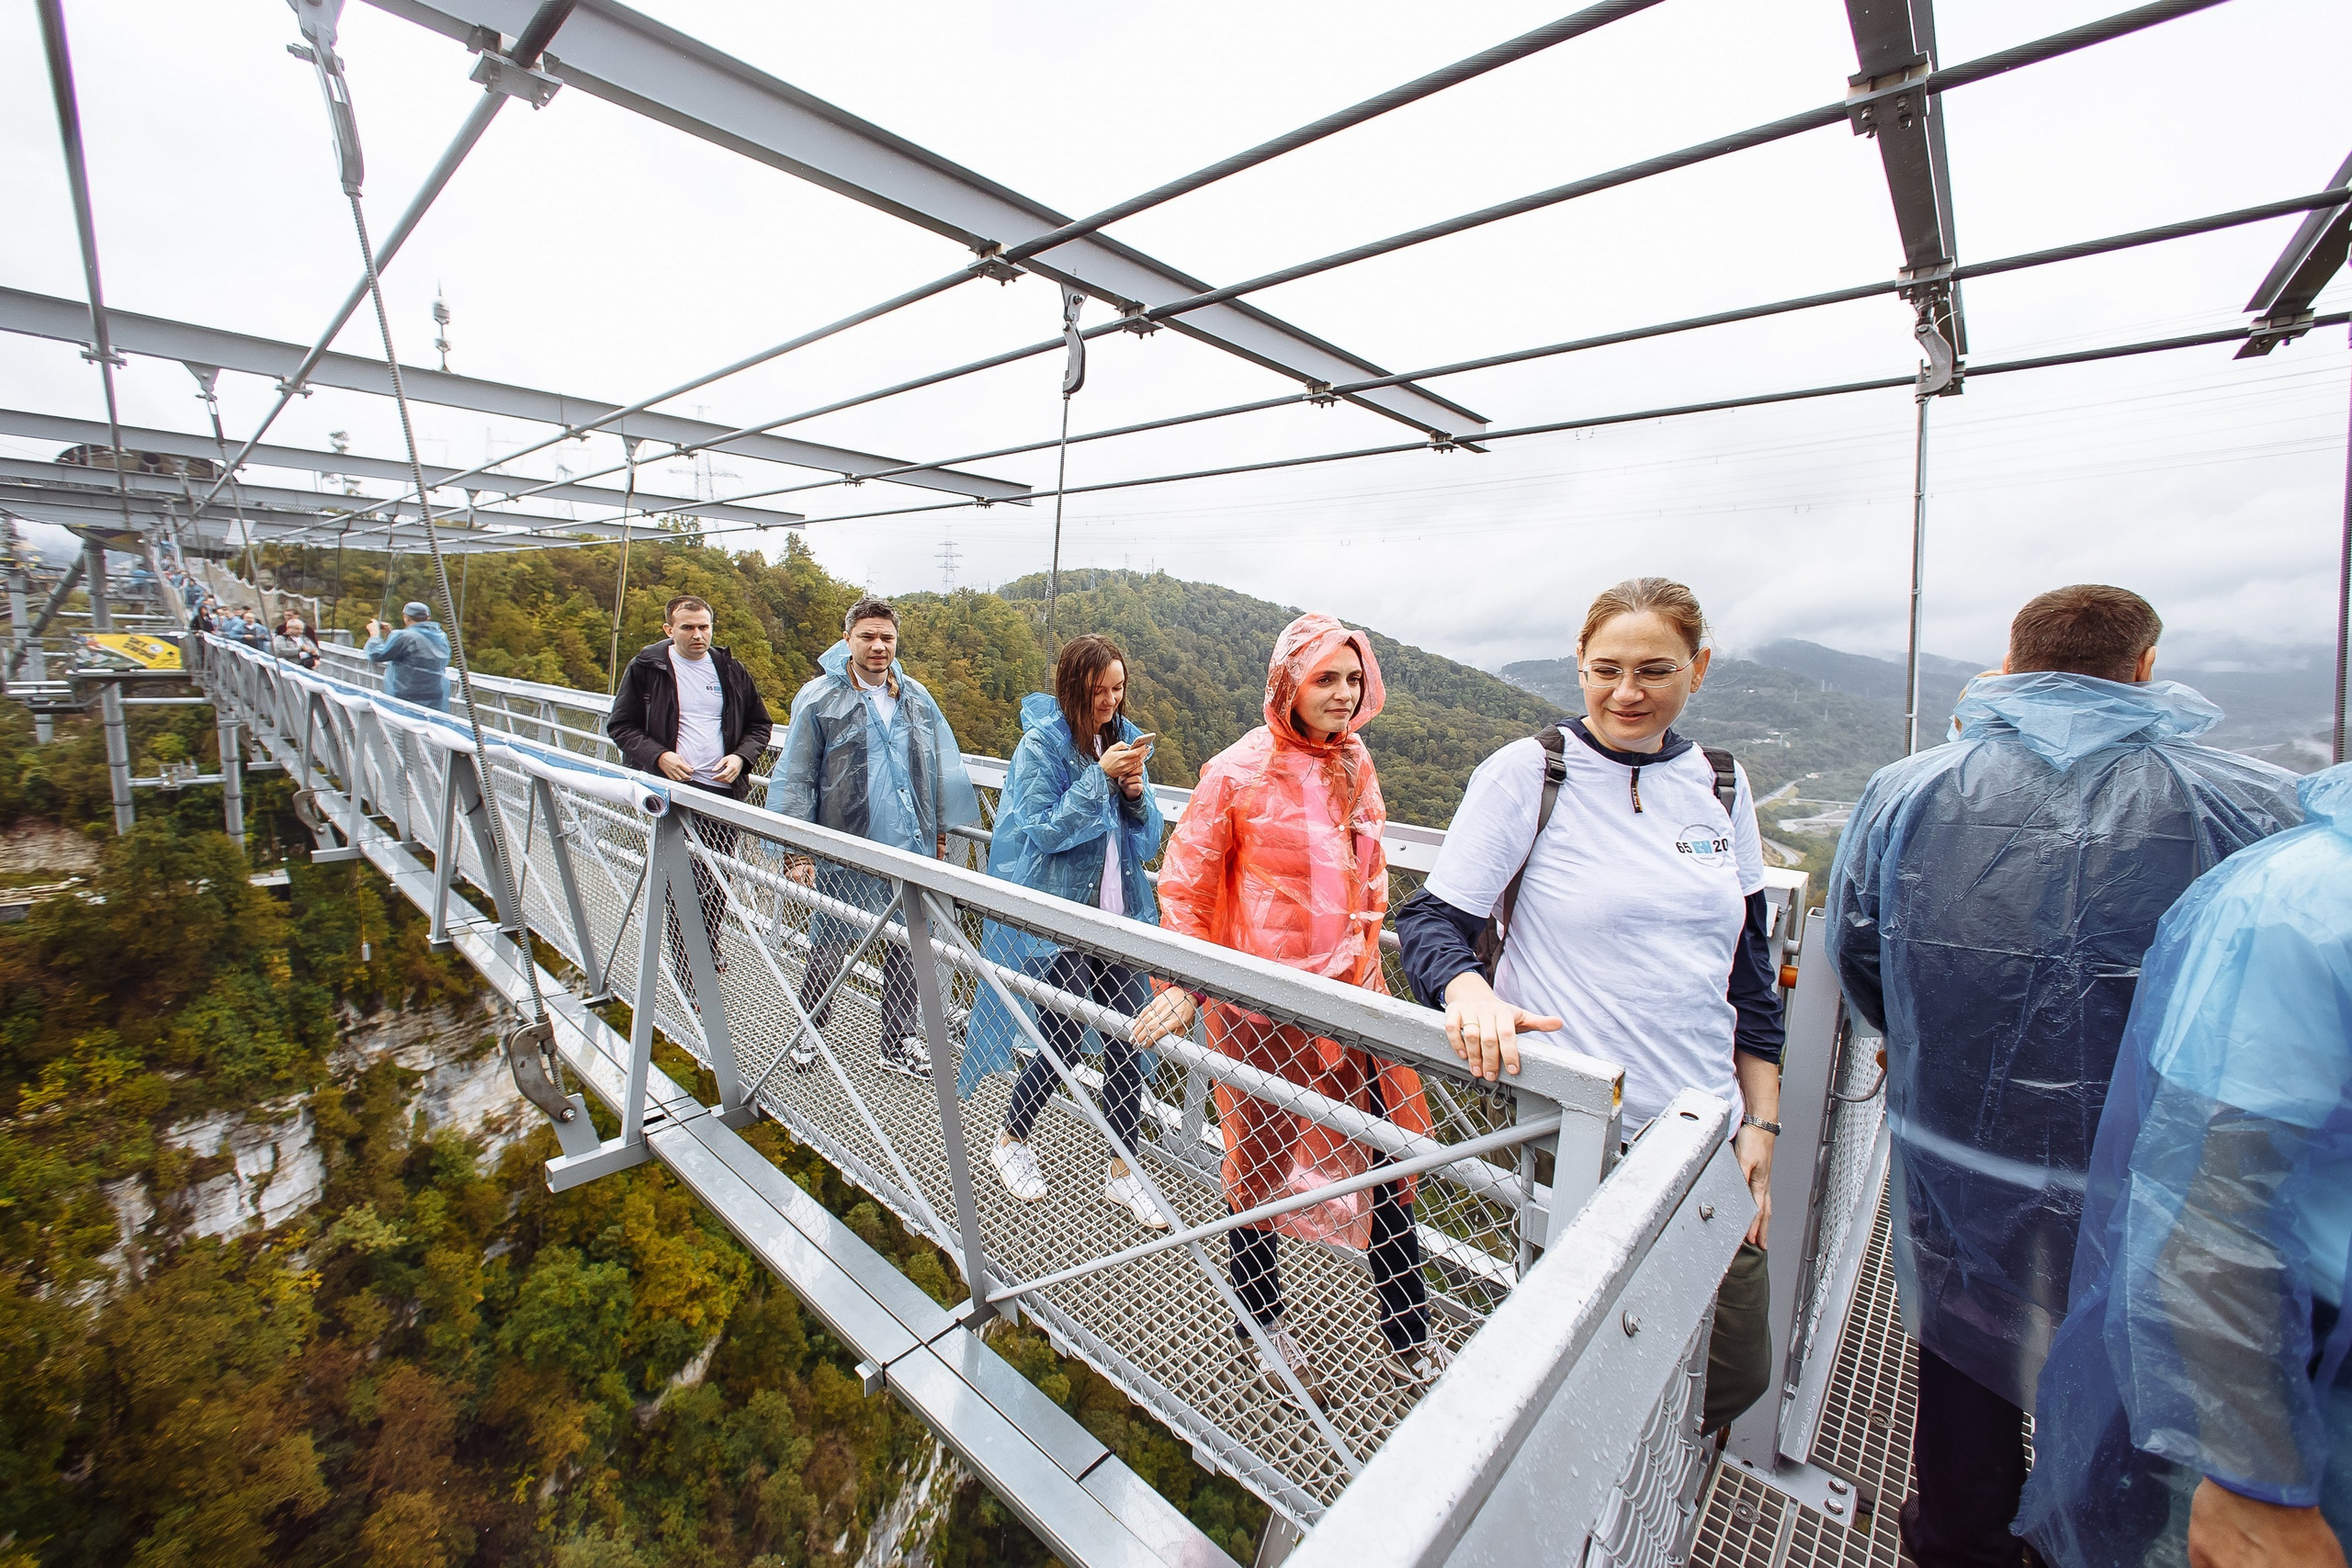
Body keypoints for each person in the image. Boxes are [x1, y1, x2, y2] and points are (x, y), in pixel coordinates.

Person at [1824, 584, 2301, 1568]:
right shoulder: (2244, 801)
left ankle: (1961, 1540)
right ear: (2143, 666)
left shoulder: (1909, 789)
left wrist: (1917, 1039)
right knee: (2138, 1354)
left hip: (1955, 1136)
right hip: (2153, 1158)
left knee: (1964, 1347)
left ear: (2010, 660)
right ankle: (2100, 1540)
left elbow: (1857, 948)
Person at [1395, 575, 1784, 1433]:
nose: (1627, 692)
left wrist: (1762, 1124)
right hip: (1580, 1129)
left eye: (1655, 670)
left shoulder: (1722, 784)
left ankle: (1638, 1497)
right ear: (1578, 662)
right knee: (1577, 1367)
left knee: (1729, 1367)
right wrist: (1469, 991)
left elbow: (1749, 975)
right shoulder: (1530, 773)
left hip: (1706, 1134)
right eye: (1606, 668)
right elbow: (1428, 920)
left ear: (1700, 668)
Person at [2017, 761, 2352, 1568]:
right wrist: (2257, 1484)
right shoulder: (2302, 901)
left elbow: (1862, 941)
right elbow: (2215, 1206)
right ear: (2144, 664)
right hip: (2285, 1361)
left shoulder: (2299, 897)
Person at [1130, 613, 1449, 1398]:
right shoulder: (1234, 773)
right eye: (1325, 679)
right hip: (1262, 1012)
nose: (1344, 694)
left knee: (1391, 1155)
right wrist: (1179, 986)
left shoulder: (1354, 761)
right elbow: (1186, 886)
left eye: (1353, 678)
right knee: (1259, 1171)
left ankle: (1408, 1329)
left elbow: (1366, 874)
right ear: (1288, 685)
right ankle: (1260, 1320)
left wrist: (1368, 973)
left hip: (1354, 1003)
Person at [958, 634, 1169, 1230]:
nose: (1111, 699)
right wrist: (1099, 779)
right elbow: (1041, 831)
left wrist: (1133, 795)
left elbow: (1148, 836)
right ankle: (1011, 1139)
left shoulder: (1124, 737)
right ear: (1073, 687)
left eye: (1119, 687)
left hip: (1118, 913)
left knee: (1133, 1036)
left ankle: (1123, 1171)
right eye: (1100, 690)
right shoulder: (1041, 745)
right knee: (1064, 1036)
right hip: (1061, 916)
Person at [766, 597, 979, 1081]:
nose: (878, 646)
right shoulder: (820, 698)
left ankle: (898, 1040)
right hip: (848, 844)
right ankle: (809, 1031)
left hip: (910, 844)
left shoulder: (916, 696)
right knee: (831, 941)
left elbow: (939, 767)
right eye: (868, 636)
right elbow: (797, 774)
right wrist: (797, 849)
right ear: (848, 640)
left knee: (909, 944)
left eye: (886, 637)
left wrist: (941, 834)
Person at [607, 595, 775, 985]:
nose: (698, 635)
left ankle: (709, 942)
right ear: (669, 630)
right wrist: (660, 756)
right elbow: (621, 726)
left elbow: (759, 724)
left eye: (704, 627)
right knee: (681, 882)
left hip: (719, 794)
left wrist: (740, 759)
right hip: (671, 796)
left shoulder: (729, 669)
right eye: (688, 627)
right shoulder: (647, 668)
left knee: (718, 879)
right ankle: (689, 972)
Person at [364, 601, 452, 712]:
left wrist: (374, 635)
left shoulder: (404, 636)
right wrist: (392, 636)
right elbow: (419, 651)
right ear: (428, 618)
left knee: (406, 727)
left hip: (407, 698)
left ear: (406, 618)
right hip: (436, 698)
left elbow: (376, 655)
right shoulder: (440, 637)